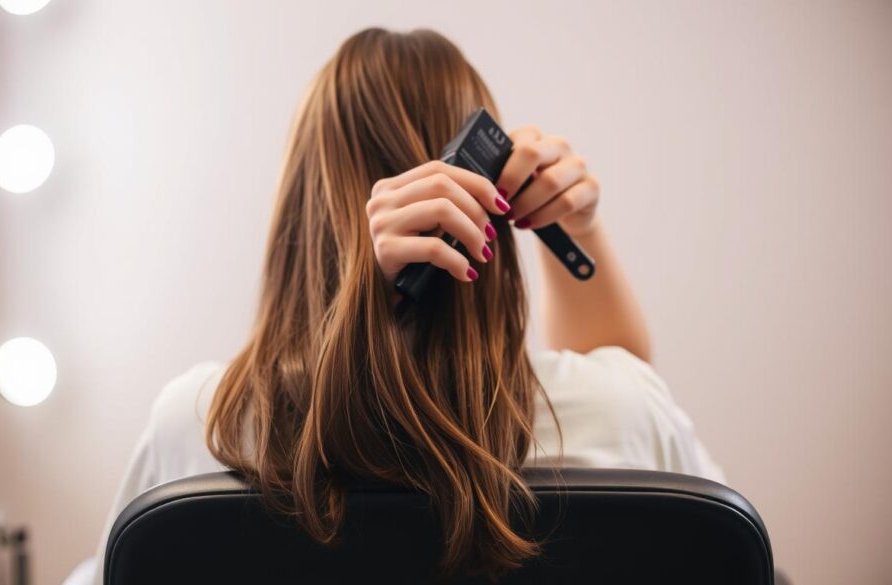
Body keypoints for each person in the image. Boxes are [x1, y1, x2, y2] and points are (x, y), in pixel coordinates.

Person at [90, 27, 723, 583]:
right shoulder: (621, 416)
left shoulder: (202, 427)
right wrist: (580, 233)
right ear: (493, 206)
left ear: (303, 213)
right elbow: (631, 397)